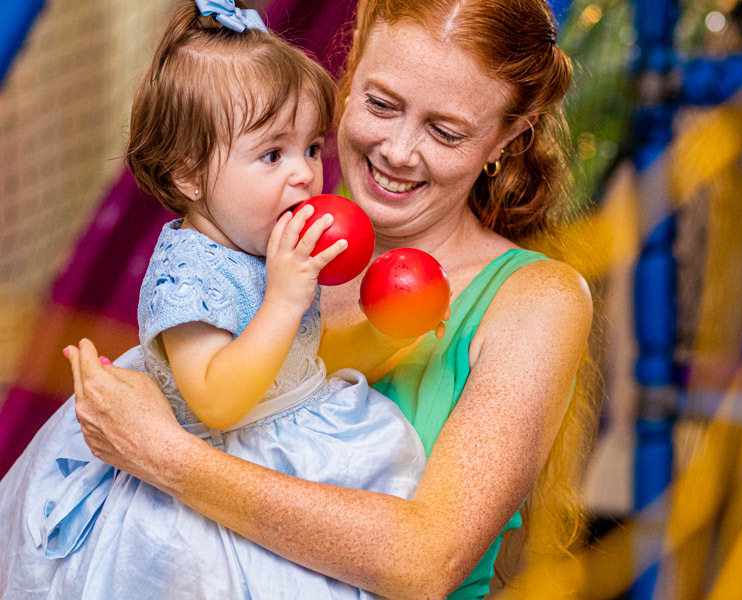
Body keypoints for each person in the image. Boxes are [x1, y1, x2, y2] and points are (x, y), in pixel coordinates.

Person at [64, 0, 595, 598]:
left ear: (506, 137)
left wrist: (166, 457)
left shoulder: (537, 299)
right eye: (380, 104)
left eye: (445, 131)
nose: (397, 150)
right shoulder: (258, 230)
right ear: (350, 68)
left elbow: (424, 563)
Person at [0, 2, 426, 598]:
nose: (306, 175)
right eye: (273, 155)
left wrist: (385, 329)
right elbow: (219, 400)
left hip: (287, 440)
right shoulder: (187, 275)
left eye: (310, 148)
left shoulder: (265, 247)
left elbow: (300, 360)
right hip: (209, 475)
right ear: (188, 175)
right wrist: (283, 297)